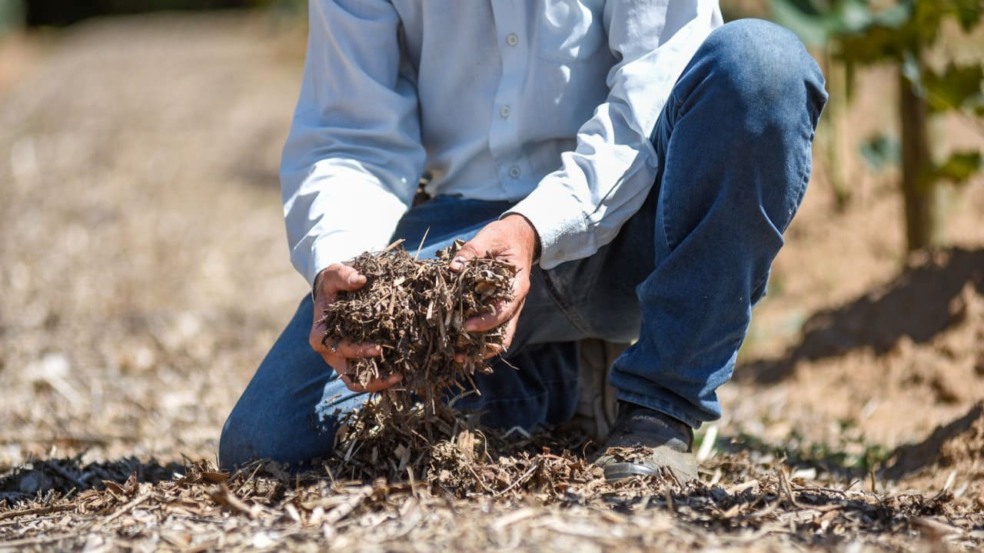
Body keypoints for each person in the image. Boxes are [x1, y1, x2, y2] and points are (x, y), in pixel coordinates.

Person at [219, 0, 827, 482]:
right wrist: (342, 262)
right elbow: (351, 133)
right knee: (270, 442)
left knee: (761, 66)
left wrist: (533, 227)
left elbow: (653, 91)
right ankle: (576, 378)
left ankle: (659, 405)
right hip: (460, 239)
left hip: (636, 220)